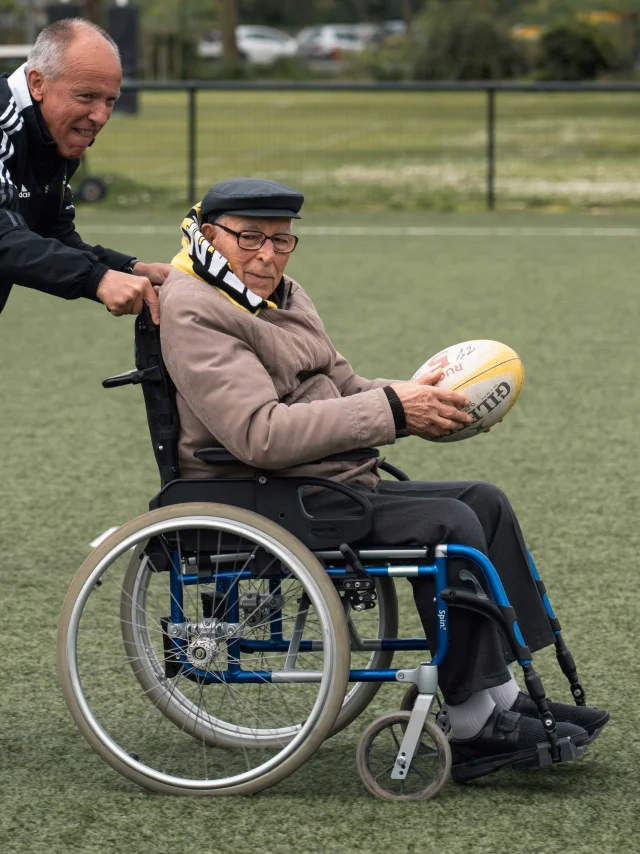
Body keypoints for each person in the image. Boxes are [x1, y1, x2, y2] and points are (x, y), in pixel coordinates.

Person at [159, 176, 609, 782]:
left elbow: (345, 387)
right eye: (250, 238)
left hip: (324, 481)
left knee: (485, 501)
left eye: (281, 239)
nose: (267, 254)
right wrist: (395, 412)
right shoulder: (197, 309)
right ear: (210, 235)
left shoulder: (281, 293)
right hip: (263, 493)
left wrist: (428, 402)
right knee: (448, 524)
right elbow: (258, 434)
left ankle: (500, 692)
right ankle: (475, 722)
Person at [0, 19, 168, 322]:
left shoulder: (50, 134)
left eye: (110, 100)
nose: (100, 116)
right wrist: (98, 279)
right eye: (87, 96)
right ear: (38, 83)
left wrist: (129, 269)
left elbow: (49, 232)